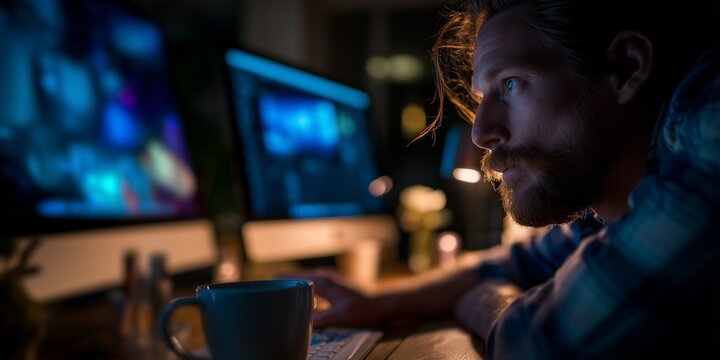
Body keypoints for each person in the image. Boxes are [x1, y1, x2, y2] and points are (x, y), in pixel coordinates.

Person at [293, 0, 720, 358]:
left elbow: (538, 342)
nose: (480, 133)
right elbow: (512, 262)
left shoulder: (711, 120)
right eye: (483, 97)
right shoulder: (614, 198)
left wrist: (485, 301)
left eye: (511, 83)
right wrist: (379, 303)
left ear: (626, 68)